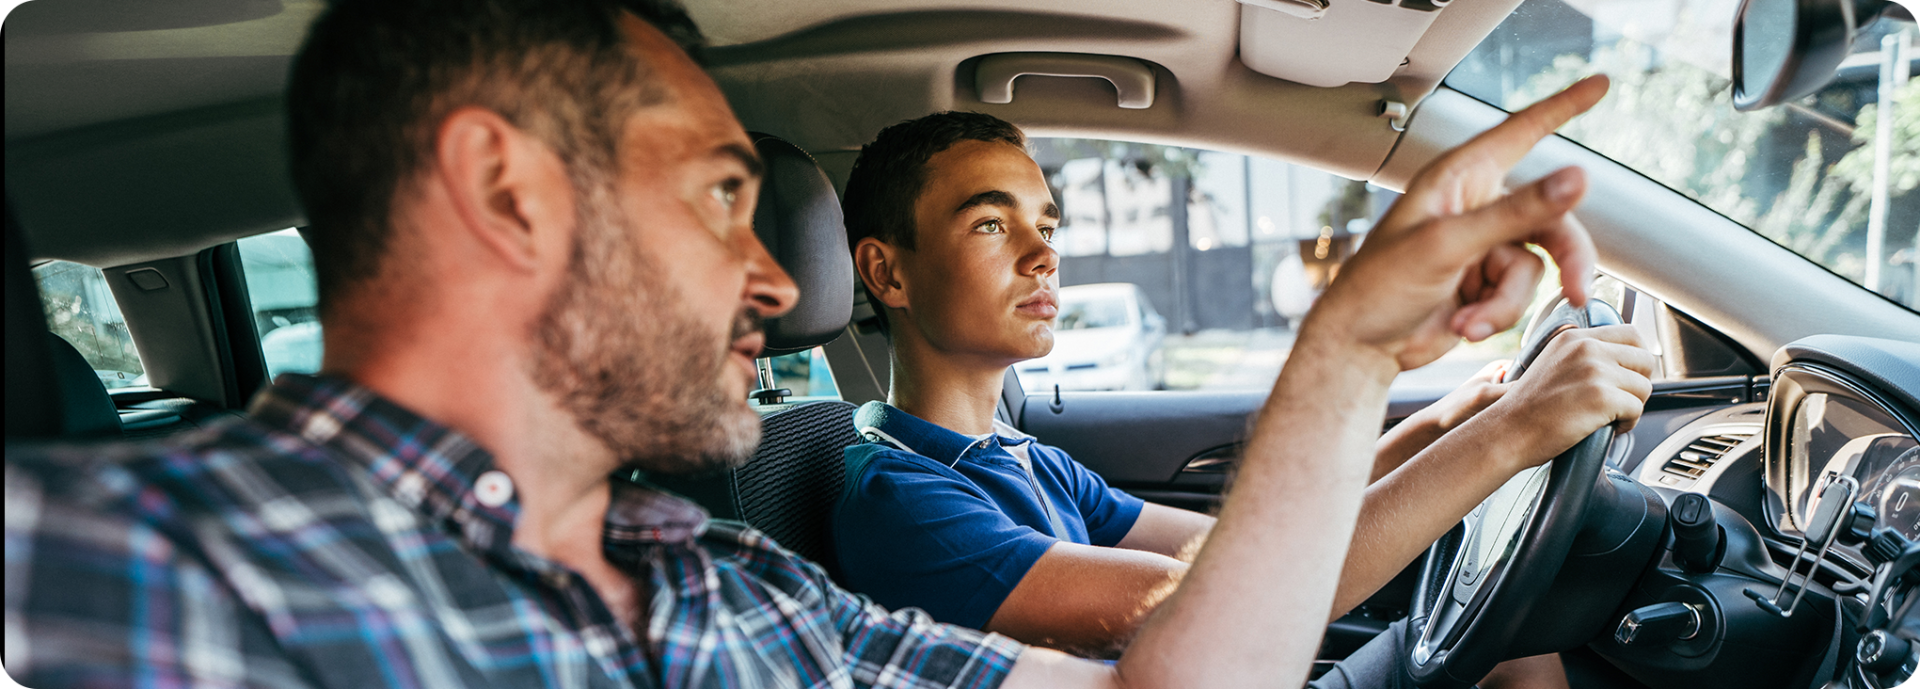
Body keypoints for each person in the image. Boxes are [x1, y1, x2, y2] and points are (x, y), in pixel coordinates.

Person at [1, 0, 1633, 686]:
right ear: (508, 188)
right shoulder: (133, 560)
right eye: (723, 192)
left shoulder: (726, 584)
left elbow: (1172, 671)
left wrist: (1357, 354)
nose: (772, 284)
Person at [830, 112, 1653, 667]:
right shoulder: (901, 499)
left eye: (1046, 225)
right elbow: (1250, 588)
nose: (1043, 254)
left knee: (1522, 658)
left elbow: (1241, 541)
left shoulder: (1024, 457)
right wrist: (1511, 433)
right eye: (989, 222)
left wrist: (1451, 416)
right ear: (887, 271)